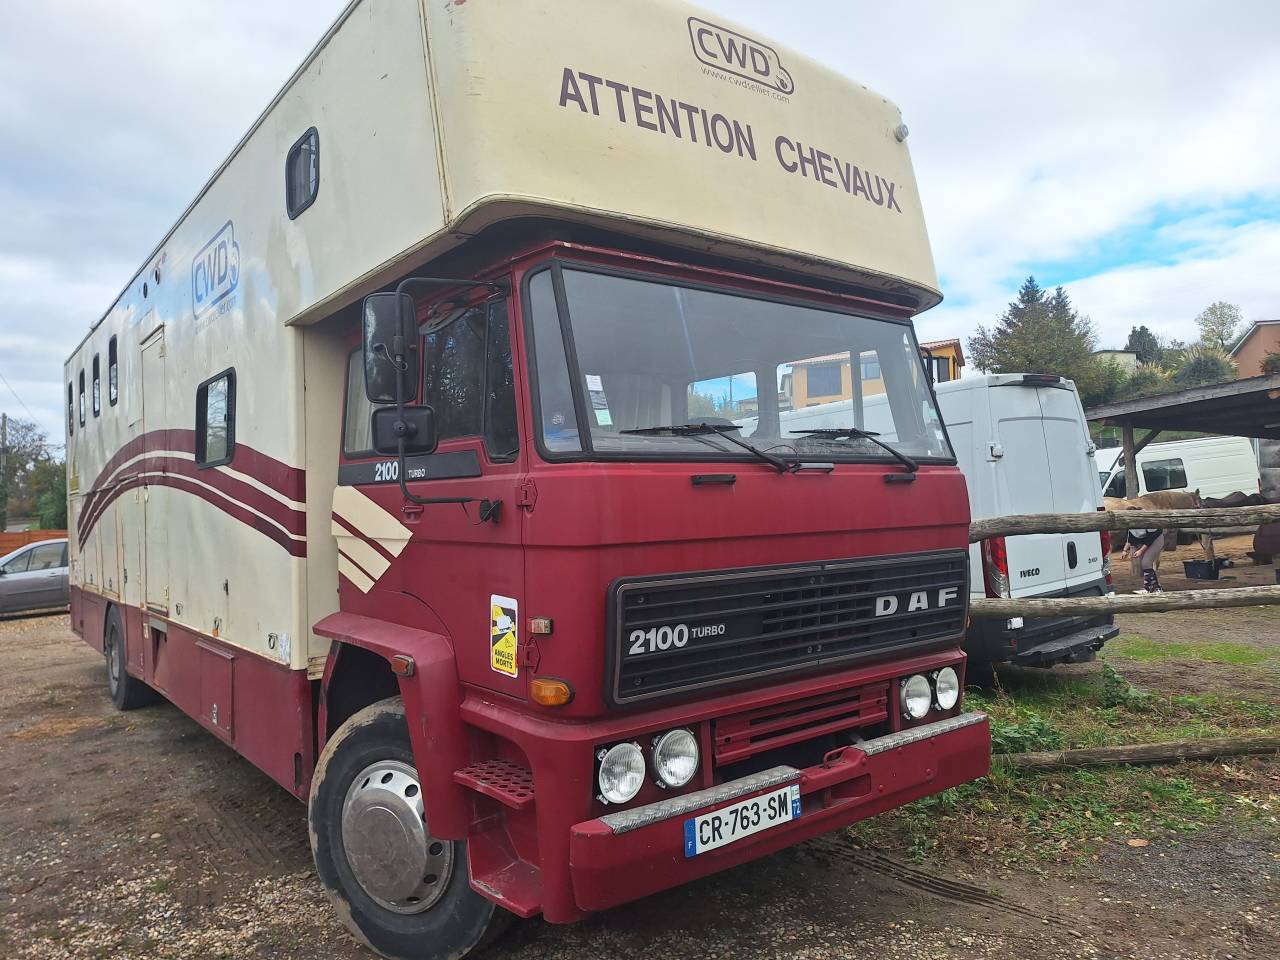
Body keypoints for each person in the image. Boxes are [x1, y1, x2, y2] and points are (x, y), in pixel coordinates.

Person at [1121, 526, 1164, 593]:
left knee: (1146, 563)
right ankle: (1156, 587)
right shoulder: (1131, 525)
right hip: (1144, 542)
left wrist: (1141, 551)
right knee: (1146, 565)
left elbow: (1151, 538)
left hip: (1155, 540)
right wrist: (1125, 550)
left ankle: (1147, 588)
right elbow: (1130, 537)